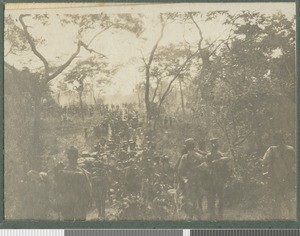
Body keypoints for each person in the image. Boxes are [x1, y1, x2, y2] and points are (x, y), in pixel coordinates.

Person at [262, 132, 296, 219]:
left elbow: (264, 161)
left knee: (278, 197)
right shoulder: (290, 149)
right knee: (284, 196)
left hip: (278, 177)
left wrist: (266, 171)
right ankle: (288, 215)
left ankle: (280, 216)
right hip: (284, 177)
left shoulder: (272, 150)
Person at [55, 146, 92, 221]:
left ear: (68, 157)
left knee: (70, 222)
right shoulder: (84, 172)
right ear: (77, 157)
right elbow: (88, 187)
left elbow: (59, 188)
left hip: (71, 201)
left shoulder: (63, 171)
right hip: (76, 201)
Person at [177, 138, 204, 220]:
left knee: (188, 199)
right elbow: (204, 167)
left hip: (188, 181)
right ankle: (194, 215)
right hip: (197, 181)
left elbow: (180, 170)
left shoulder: (184, 157)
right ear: (193, 146)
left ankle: (190, 216)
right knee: (194, 199)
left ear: (187, 147)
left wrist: (184, 178)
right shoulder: (199, 156)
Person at [205, 138, 229, 219]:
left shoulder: (220, 154)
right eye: (213, 143)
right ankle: (213, 214)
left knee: (220, 197)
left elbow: (226, 167)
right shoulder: (208, 155)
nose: (214, 145)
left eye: (215, 143)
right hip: (211, 179)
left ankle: (220, 214)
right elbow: (206, 166)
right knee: (212, 197)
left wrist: (218, 162)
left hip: (219, 179)